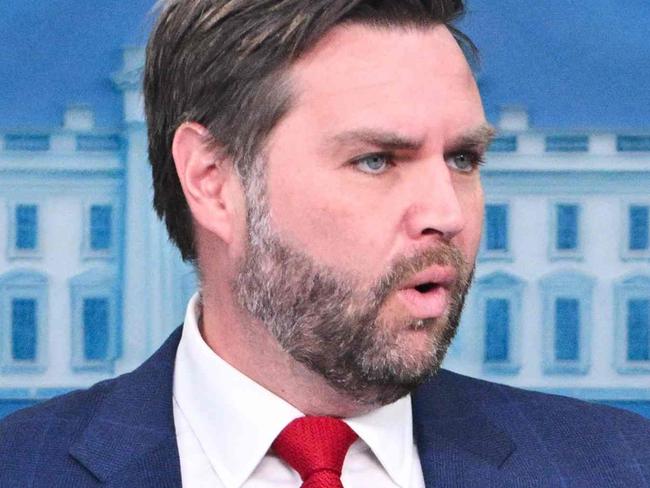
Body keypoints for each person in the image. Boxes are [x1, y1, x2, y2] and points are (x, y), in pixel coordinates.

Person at [1, 1, 649, 486]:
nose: (447, 213)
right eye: (376, 160)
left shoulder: (618, 466)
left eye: (462, 158)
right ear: (212, 180)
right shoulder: (22, 467)